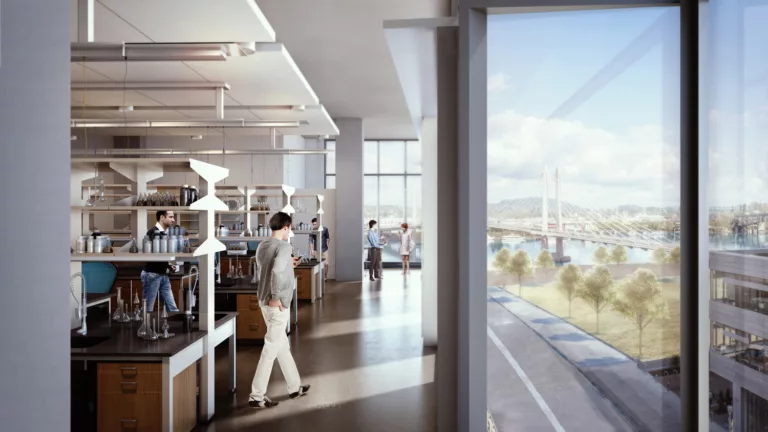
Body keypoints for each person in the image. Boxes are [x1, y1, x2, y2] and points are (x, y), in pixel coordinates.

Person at [249, 212, 310, 409]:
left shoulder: (263, 245)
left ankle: (294, 387)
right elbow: (275, 271)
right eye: (289, 228)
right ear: (285, 227)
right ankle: (256, 395)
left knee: (282, 346)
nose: (289, 232)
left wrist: (289, 265)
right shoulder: (284, 246)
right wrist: (276, 296)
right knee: (271, 348)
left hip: (263, 301)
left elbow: (267, 268)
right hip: (277, 304)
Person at [142, 210, 179, 312]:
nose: (173, 220)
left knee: (172, 308)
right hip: (152, 274)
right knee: (147, 309)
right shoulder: (153, 232)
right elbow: (154, 255)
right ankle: (144, 327)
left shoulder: (164, 233)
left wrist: (168, 266)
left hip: (163, 274)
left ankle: (173, 327)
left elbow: (161, 256)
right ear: (162, 218)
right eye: (170, 217)